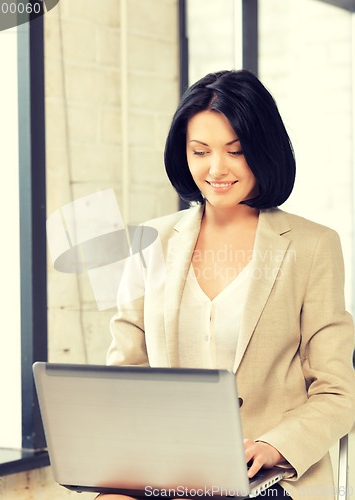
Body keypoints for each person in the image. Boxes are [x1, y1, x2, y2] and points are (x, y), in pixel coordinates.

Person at [100, 70, 355, 500]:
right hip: (168, 471)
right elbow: (125, 375)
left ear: (263, 151)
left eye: (235, 151)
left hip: (268, 480)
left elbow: (337, 390)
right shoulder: (151, 244)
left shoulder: (313, 246)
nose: (216, 168)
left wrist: (276, 445)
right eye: (200, 151)